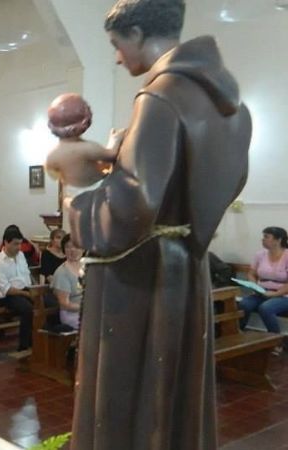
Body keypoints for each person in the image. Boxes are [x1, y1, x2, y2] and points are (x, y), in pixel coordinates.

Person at [65, 1, 252, 449]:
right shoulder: (228, 102)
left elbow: (133, 206)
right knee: (174, 401)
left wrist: (77, 195)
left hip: (139, 279)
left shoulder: (159, 95)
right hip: (187, 266)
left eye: (116, 45)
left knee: (134, 402)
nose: (116, 57)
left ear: (136, 32)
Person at [238, 226, 288, 351]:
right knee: (243, 304)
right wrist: (254, 285)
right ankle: (238, 335)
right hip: (261, 292)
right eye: (263, 236)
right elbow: (251, 273)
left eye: (266, 237)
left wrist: (273, 294)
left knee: (266, 308)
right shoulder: (260, 255)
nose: (263, 240)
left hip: (283, 295)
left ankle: (276, 342)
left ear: (278, 240)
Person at [0, 227, 34, 351]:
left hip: (25, 291)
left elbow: (27, 274)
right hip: (9, 296)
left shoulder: (20, 256)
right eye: (15, 244)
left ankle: (42, 340)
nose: (19, 247)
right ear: (6, 242)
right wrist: (25, 294)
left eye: (20, 243)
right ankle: (24, 345)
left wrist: (34, 290)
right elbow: (6, 289)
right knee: (27, 309)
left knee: (49, 303)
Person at [50, 234, 83, 330]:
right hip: (72, 314)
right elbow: (65, 304)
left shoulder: (87, 267)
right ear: (64, 250)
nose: (73, 250)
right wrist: (86, 308)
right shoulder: (62, 272)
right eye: (68, 247)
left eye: (76, 246)